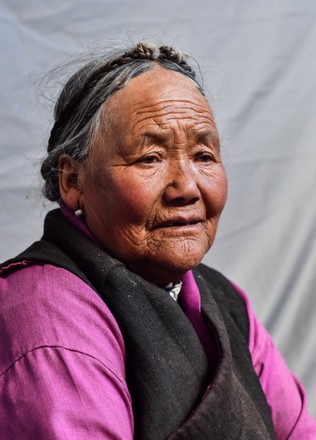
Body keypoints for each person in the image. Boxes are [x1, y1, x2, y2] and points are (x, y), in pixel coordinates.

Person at [0, 41, 315, 439]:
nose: (186, 187)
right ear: (73, 181)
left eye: (204, 156)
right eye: (150, 158)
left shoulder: (223, 300)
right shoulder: (47, 313)